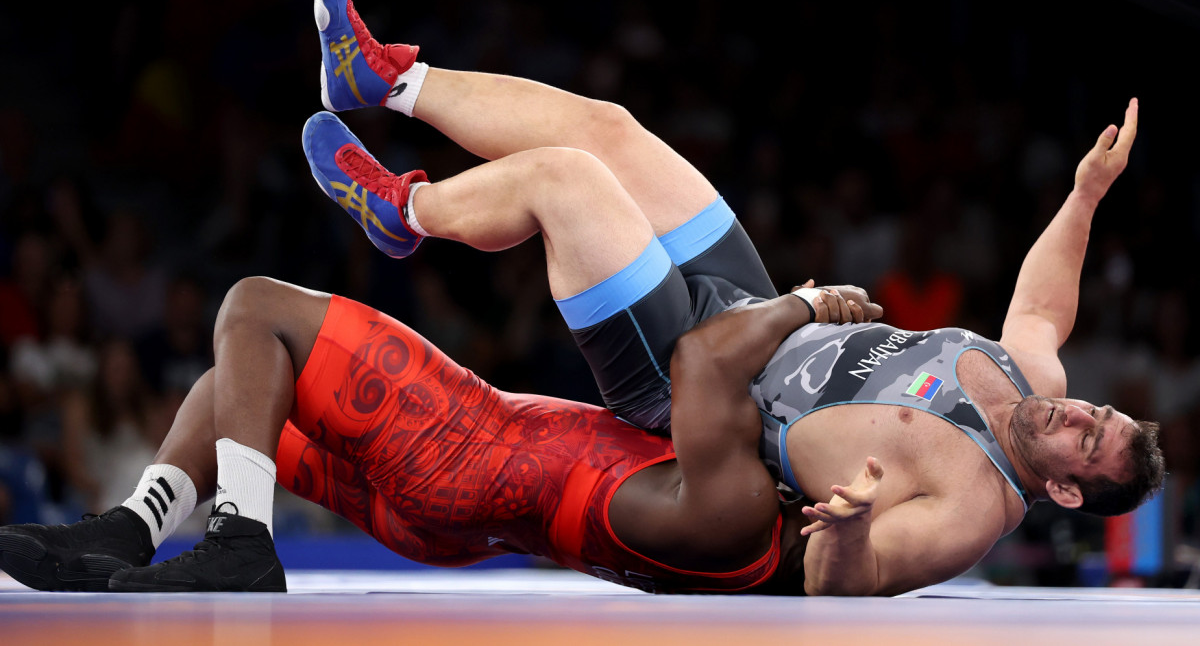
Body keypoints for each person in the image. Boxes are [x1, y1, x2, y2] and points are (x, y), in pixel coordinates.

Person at [299, 0, 1163, 595]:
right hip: (759, 303)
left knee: (565, 180)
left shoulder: (970, 510)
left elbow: (836, 588)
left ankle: (401, 214)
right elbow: (1043, 304)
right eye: (1099, 412)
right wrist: (1086, 195)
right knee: (611, 129)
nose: (1078, 413)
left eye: (1086, 439)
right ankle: (383, 77)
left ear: (1059, 487)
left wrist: (854, 526)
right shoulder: (1032, 378)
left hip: (696, 382)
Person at [0, 274, 870, 594]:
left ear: (810, 509)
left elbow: (702, 361)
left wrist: (808, 302)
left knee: (254, 307)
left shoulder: (740, 509)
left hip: (465, 448)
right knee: (236, 387)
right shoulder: (742, 560)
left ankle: (239, 540)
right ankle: (133, 528)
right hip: (441, 523)